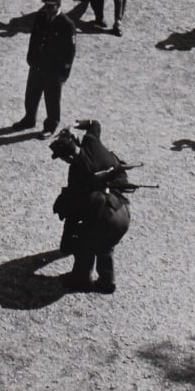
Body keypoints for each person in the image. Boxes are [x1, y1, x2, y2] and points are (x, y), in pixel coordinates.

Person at [49, 120, 131, 293]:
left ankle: (81, 280)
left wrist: (68, 241)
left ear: (70, 156)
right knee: (105, 246)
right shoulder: (92, 143)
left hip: (105, 215)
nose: (64, 161)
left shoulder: (79, 171)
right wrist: (74, 125)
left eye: (63, 157)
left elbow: (73, 211)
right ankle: (107, 282)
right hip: (122, 212)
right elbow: (95, 125)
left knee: (83, 242)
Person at [13, 0, 76, 135]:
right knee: (31, 93)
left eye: (50, 6)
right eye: (46, 5)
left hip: (54, 68)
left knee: (52, 98)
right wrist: (30, 57)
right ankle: (29, 119)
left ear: (58, 6)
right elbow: (34, 37)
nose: (47, 9)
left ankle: (50, 126)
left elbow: (70, 51)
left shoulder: (67, 24)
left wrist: (64, 72)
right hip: (38, 64)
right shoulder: (41, 17)